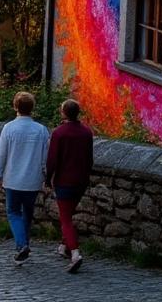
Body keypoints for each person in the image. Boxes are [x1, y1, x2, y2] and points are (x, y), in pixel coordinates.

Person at [0, 91, 51, 265]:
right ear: (32, 108)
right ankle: (24, 243)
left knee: (13, 212)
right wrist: (45, 175)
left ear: (15, 107)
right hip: (32, 180)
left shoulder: (9, 128)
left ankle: (21, 244)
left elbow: (1, 155)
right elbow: (45, 157)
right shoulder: (41, 130)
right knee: (28, 213)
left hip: (13, 178)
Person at [46, 98, 94, 273]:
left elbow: (52, 160)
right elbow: (90, 158)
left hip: (64, 181)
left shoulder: (59, 133)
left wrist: (48, 177)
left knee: (65, 218)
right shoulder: (86, 133)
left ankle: (75, 253)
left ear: (63, 113)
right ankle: (64, 246)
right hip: (81, 180)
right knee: (69, 213)